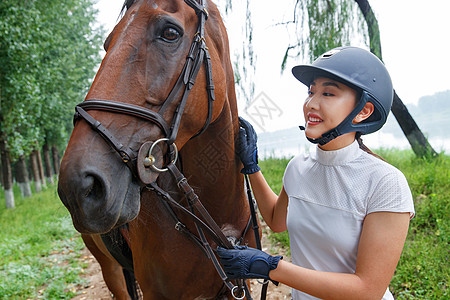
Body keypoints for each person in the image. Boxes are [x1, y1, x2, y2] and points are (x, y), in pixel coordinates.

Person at [217, 46, 415, 299]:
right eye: (311, 92)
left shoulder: (386, 182)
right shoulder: (298, 166)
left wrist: (270, 268)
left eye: (329, 93)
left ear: (363, 111)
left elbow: (368, 290)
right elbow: (277, 221)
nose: (311, 103)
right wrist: (252, 167)